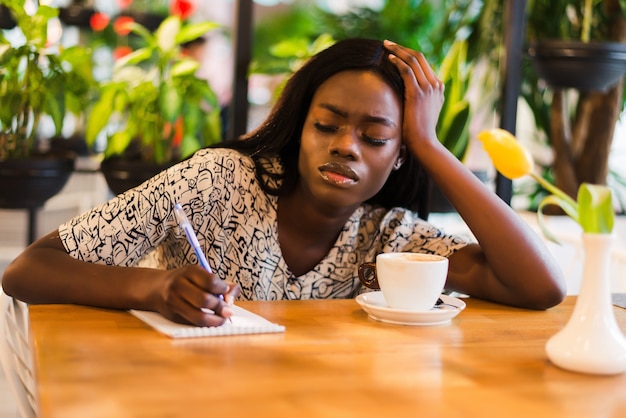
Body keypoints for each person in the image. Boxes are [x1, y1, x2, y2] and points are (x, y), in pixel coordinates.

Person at [1, 38, 566, 327]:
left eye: (375, 138)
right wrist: (152, 289)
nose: (345, 144)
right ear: (302, 129)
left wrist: (430, 145)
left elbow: (537, 288)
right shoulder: (217, 182)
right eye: (327, 125)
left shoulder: (389, 238)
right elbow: (29, 269)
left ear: (399, 157)